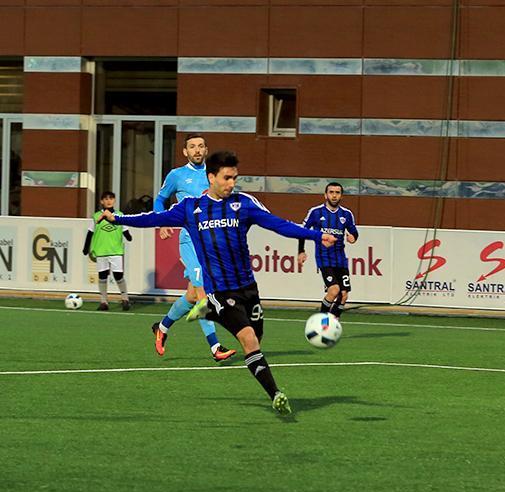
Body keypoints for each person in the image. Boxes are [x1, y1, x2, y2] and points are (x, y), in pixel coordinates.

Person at [102, 151, 337, 415]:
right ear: (211, 177)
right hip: (220, 290)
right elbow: (151, 219)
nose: (231, 183)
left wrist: (316, 236)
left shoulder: (243, 204)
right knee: (249, 340)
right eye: (227, 178)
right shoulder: (190, 208)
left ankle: (208, 311)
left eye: (234, 178)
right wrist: (117, 218)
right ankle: (276, 395)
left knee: (257, 337)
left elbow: (278, 225)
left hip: (248, 288)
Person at [152, 133, 235, 362]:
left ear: (206, 150)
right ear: (185, 152)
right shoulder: (177, 175)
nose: (197, 150)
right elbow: (160, 199)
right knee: (203, 294)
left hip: (212, 243)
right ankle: (215, 347)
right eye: (192, 147)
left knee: (191, 295)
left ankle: (162, 327)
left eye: (200, 146)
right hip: (190, 241)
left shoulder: (216, 174)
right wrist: (162, 221)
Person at [297, 182, 358, 318]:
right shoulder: (316, 212)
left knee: (343, 295)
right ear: (325, 195)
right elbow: (302, 231)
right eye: (331, 192)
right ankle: (322, 322)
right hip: (324, 258)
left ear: (341, 196)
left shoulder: (347, 214)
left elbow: (354, 232)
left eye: (337, 193)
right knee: (334, 290)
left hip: (341, 260)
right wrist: (301, 251)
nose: (334, 195)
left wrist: (353, 237)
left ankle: (333, 322)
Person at [82, 191, 132, 311]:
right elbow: (90, 232)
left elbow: (125, 230)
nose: (109, 201)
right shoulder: (96, 216)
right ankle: (104, 302)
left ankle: (125, 299)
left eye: (111, 198)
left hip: (116, 251)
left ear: (114, 200)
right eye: (106, 199)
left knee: (118, 276)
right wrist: (86, 248)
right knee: (102, 276)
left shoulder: (119, 215)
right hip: (101, 251)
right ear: (101, 201)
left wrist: (128, 236)